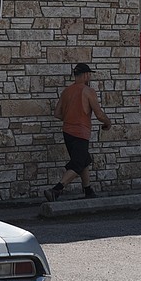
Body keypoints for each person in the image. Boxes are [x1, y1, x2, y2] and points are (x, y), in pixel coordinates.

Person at [45, 63, 111, 201]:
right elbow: (99, 114)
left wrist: (70, 117)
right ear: (86, 75)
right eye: (90, 74)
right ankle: (56, 190)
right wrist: (108, 123)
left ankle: (88, 190)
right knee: (78, 163)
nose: (90, 77)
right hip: (81, 132)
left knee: (84, 161)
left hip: (67, 132)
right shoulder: (88, 91)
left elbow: (57, 113)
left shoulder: (67, 91)